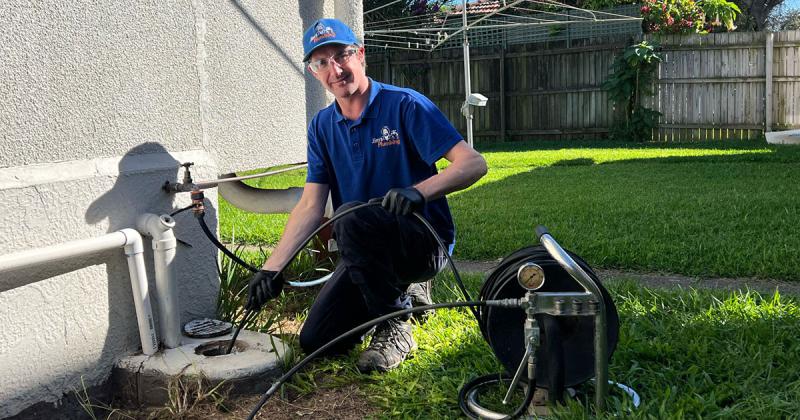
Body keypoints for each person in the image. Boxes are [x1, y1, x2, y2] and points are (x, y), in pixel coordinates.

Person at [246, 18, 487, 373]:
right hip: (365, 247)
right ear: (314, 72)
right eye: (322, 62)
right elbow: (311, 205)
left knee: (353, 216)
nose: (335, 69)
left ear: (361, 55)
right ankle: (405, 296)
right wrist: (272, 267)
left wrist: (417, 192)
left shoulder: (404, 105)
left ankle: (395, 327)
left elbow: (473, 164)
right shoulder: (322, 127)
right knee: (318, 340)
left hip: (423, 241)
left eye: (342, 55)